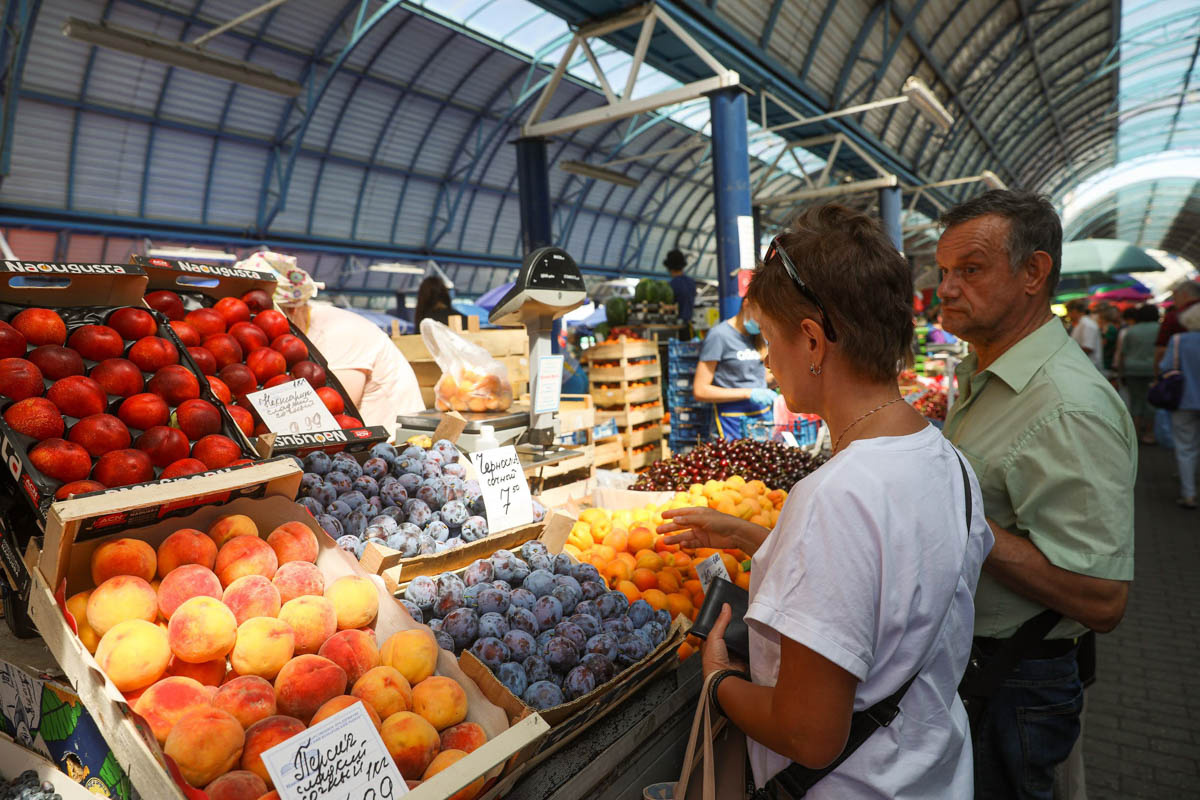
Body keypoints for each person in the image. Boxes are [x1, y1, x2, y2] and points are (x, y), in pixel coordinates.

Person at [660, 204, 992, 798]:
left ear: (812, 339)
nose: (767, 359)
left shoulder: (833, 496)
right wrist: (749, 536)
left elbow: (810, 734)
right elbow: (888, 586)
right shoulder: (950, 463)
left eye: (769, 339)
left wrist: (717, 683)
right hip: (933, 772)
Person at [935, 190, 1136, 800]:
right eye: (943, 271)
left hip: (1014, 684)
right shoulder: (988, 377)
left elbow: (1101, 600)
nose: (945, 288)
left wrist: (954, 514)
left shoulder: (1066, 408)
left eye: (969, 270)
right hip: (981, 669)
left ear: (1033, 272)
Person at [263, 259, 425, 429]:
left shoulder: (340, 332)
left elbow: (332, 412)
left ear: (291, 309)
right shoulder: (303, 334)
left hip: (390, 444)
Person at [693, 304, 774, 439]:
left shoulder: (760, 336)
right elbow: (700, 390)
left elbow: (762, 381)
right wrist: (748, 393)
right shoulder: (719, 336)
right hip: (731, 423)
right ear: (747, 305)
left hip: (761, 422)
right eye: (762, 317)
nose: (763, 323)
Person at [1159, 303, 1200, 508]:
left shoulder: (1178, 341)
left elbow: (1166, 367)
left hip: (1183, 400)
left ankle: (1189, 493)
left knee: (1185, 448)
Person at [1114, 304, 1160, 444]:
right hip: (1153, 369)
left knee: (1135, 402)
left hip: (1132, 369)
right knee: (1151, 402)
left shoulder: (1131, 331)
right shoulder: (1159, 329)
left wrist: (1121, 372)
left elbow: (1123, 354)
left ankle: (1136, 434)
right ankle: (1150, 434)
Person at [1155, 279, 1200, 366]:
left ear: (1184, 295)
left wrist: (1157, 376)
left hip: (1182, 372)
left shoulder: (1173, 317)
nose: (1174, 302)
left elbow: (1161, 351)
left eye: (1175, 298)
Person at [665, 249, 697, 336]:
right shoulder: (691, 282)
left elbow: (670, 306)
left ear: (669, 268)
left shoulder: (672, 285)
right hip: (690, 327)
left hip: (677, 329)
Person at [1066, 298, 1103, 370]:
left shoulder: (1087, 324)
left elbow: (1088, 348)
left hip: (1090, 367)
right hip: (1085, 366)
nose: (1067, 315)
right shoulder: (1081, 324)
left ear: (1074, 311)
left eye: (1068, 312)